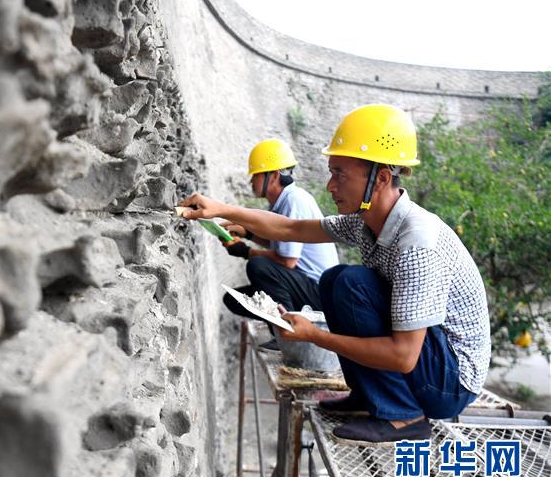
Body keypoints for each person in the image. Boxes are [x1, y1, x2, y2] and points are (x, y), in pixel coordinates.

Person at [179, 104, 490, 445]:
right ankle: (369, 398)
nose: (329, 186)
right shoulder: (366, 222)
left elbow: (404, 355)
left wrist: (315, 336)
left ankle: (406, 419)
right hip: (429, 361)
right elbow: (291, 228)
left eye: (340, 174)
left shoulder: (417, 241)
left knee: (353, 283)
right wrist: (221, 209)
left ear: (381, 178)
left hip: (450, 382)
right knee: (336, 280)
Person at [220, 139, 338, 350]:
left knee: (258, 267)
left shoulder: (294, 201)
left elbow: (288, 261)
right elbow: (280, 244)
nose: (251, 182)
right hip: (302, 286)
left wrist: (247, 252)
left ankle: (288, 333)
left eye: (256, 175)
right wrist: (247, 233)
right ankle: (281, 328)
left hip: (318, 293)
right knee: (233, 299)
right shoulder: (285, 201)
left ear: (273, 176)